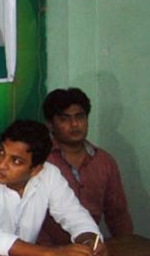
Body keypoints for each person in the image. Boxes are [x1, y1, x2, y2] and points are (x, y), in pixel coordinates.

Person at [0, 120, 109, 256]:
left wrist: (90, 243)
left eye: (15, 161)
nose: (1, 164)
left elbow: (74, 215)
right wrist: (51, 254)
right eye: (1, 152)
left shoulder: (49, 174)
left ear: (36, 170)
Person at [37, 88, 133, 245]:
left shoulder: (104, 161)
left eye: (80, 117)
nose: (74, 124)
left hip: (90, 249)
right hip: (45, 252)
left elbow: (117, 214)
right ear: (50, 124)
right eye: (65, 119)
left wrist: (128, 248)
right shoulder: (39, 161)